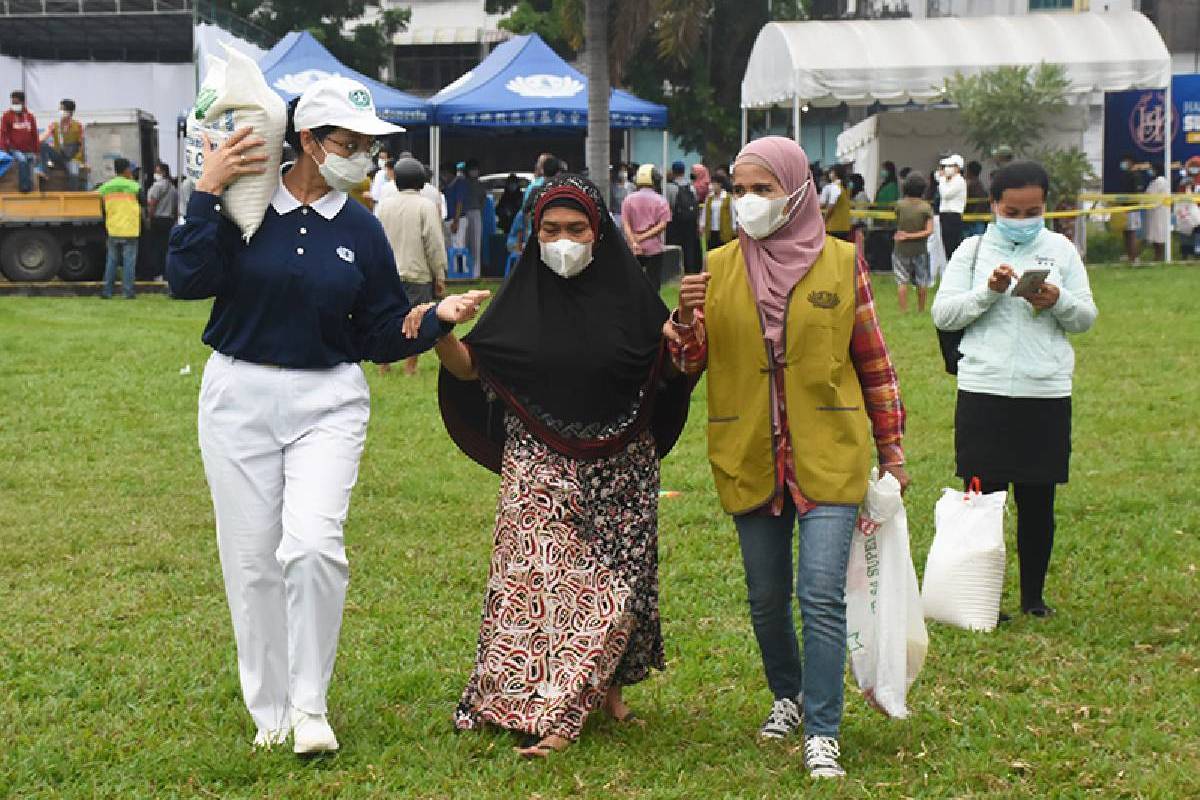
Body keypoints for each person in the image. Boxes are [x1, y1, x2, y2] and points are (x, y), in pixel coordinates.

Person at [165, 76, 489, 754]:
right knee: (251, 562)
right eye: (351, 142)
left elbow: (374, 330)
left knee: (312, 547)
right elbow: (187, 281)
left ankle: (310, 707)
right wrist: (205, 190)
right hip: (238, 395)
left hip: (329, 400)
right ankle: (271, 712)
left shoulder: (364, 229)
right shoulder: (244, 205)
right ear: (308, 141)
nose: (365, 156)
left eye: (370, 145)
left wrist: (434, 318)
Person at [669, 136, 908, 780]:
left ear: (797, 190)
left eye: (762, 189)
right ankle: (789, 695)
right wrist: (685, 321)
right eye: (738, 190)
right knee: (766, 596)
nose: (747, 202)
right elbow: (689, 364)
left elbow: (873, 360)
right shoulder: (716, 267)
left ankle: (823, 730)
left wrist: (894, 449)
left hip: (829, 451)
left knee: (820, 595)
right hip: (749, 449)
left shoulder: (841, 261)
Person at [432, 173, 694, 758]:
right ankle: (550, 711)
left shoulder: (631, 298)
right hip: (539, 462)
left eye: (576, 228)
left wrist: (685, 337)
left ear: (599, 232)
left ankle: (606, 692)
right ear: (534, 233)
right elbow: (473, 366)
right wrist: (440, 330)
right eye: (551, 229)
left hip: (623, 465)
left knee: (622, 586)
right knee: (542, 583)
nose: (564, 240)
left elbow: (667, 367)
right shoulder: (521, 295)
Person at [932, 160, 1097, 621]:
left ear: (1046, 206)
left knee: (1039, 499)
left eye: (1033, 211)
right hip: (984, 390)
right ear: (994, 206)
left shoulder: (1062, 250)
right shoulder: (972, 250)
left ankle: (1033, 598)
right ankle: (981, 596)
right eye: (1013, 211)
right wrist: (988, 292)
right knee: (983, 500)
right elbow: (944, 315)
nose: (1023, 220)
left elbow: (1085, 317)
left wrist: (1057, 300)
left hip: (1044, 391)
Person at [375, 156, 448, 375]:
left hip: (386, 273)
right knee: (417, 319)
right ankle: (410, 366)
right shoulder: (425, 206)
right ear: (421, 182)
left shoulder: (383, 206)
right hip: (418, 273)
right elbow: (433, 242)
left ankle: (383, 365)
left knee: (385, 319)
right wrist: (440, 273)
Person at [97, 157, 142, 299]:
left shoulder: (105, 187)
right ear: (127, 170)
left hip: (113, 228)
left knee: (111, 262)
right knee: (129, 262)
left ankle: (107, 291)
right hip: (130, 229)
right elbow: (144, 201)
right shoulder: (134, 186)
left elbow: (100, 206)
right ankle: (127, 292)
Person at [622, 163, 672, 289]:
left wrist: (634, 241)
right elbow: (662, 225)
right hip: (654, 248)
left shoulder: (628, 199)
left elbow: (625, 223)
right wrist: (644, 237)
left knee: (633, 283)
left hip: (633, 248)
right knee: (653, 284)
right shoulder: (660, 200)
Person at [892, 173, 935, 313]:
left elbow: (897, 222)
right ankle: (921, 310)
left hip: (900, 249)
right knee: (922, 281)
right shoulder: (926, 207)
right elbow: (929, 231)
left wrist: (905, 235)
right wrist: (911, 236)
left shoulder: (899, 205)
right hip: (920, 249)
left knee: (901, 281)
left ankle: (903, 310)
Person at [39, 98, 86, 190]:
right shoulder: (55, 125)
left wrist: (78, 160)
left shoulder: (78, 126)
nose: (60, 111)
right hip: (58, 156)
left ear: (70, 112)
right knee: (43, 146)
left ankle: (72, 196)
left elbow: (81, 145)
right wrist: (35, 140)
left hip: (72, 158)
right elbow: (44, 135)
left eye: (62, 109)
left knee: (74, 174)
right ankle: (45, 172)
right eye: (59, 109)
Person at [1, 90, 41, 192]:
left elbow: (34, 134)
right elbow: (3, 133)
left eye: (16, 103)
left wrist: (36, 151)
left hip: (29, 149)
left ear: (23, 103)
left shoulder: (30, 116)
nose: (14, 105)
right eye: (13, 103)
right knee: (22, 160)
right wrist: (4, 150)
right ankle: (24, 187)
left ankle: (32, 188)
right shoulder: (7, 116)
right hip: (14, 149)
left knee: (30, 162)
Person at [666, 161, 701, 274]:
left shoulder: (670, 188)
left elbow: (668, 205)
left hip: (675, 223)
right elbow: (696, 203)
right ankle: (690, 268)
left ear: (673, 171)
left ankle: (674, 271)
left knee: (675, 247)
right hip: (690, 222)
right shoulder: (691, 187)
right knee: (690, 246)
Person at [145, 162, 179, 280]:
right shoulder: (173, 188)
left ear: (163, 172)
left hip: (157, 220)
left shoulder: (157, 186)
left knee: (155, 248)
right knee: (166, 248)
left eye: (158, 171)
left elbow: (152, 204)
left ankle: (157, 273)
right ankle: (167, 273)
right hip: (168, 221)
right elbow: (175, 208)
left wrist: (149, 218)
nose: (156, 174)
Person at [937, 154, 968, 259]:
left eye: (950, 166)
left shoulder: (959, 181)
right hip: (945, 215)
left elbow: (946, 194)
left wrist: (941, 180)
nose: (946, 168)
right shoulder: (947, 181)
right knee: (947, 245)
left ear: (957, 167)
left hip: (953, 216)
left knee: (953, 245)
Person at [1117, 154, 1143, 262]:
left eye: (1126, 161)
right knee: (1126, 232)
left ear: (1131, 162)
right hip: (1126, 209)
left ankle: (1134, 257)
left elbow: (1136, 192)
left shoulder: (1135, 176)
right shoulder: (1127, 175)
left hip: (1132, 209)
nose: (1124, 164)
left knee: (1132, 233)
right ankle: (1129, 255)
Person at [700, 171, 736, 251]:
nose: (712, 186)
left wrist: (734, 227)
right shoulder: (709, 198)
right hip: (711, 229)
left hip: (724, 229)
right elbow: (705, 212)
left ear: (720, 185)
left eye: (714, 184)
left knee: (724, 250)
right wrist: (702, 224)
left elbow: (732, 213)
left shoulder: (728, 197)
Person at [1144, 162, 1170, 263]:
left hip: (1159, 211)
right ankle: (1157, 257)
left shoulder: (1160, 181)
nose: (1150, 171)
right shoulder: (1155, 182)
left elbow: (1151, 196)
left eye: (1152, 168)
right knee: (1155, 235)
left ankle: (1159, 257)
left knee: (1159, 235)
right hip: (1154, 211)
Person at [820, 165, 851, 241]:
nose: (830, 174)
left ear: (835, 174)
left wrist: (824, 221)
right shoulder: (845, 187)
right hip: (844, 226)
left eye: (831, 172)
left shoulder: (834, 187)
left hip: (834, 227)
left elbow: (831, 207)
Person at [964, 160, 989, 237]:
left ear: (969, 171)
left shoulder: (970, 185)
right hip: (980, 217)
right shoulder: (980, 185)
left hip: (972, 219)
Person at [610, 163, 634, 230]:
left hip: (630, 217)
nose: (623, 173)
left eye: (624, 170)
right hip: (617, 216)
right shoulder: (613, 187)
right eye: (621, 170)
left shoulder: (631, 186)